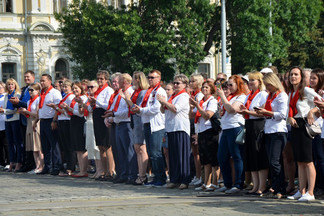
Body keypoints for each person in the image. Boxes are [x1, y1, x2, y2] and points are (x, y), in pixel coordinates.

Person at [286, 66, 320, 201]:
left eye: (295, 74)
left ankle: (310, 192)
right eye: (291, 75)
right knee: (299, 161)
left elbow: (320, 101)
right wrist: (290, 117)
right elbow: (290, 108)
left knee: (308, 160)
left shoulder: (306, 90)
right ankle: (301, 190)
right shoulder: (291, 92)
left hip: (305, 124)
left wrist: (312, 112)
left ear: (301, 77)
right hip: (295, 125)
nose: (293, 77)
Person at [131, 69, 167, 187]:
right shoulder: (149, 91)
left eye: (153, 77)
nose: (150, 79)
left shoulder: (159, 91)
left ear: (159, 79)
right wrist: (139, 110)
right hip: (147, 123)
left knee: (156, 153)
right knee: (151, 152)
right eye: (149, 77)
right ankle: (156, 177)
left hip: (156, 125)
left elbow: (155, 109)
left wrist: (141, 110)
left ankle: (161, 178)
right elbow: (145, 107)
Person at [255, 72, 288, 199]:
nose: (267, 87)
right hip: (269, 130)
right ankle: (275, 187)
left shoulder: (282, 96)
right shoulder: (271, 96)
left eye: (269, 85)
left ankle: (280, 188)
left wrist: (266, 112)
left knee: (275, 161)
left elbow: (282, 115)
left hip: (278, 130)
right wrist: (262, 111)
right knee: (272, 161)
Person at [158, 74, 191, 190]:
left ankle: (184, 179)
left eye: (178, 83)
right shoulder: (173, 96)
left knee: (182, 155)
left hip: (180, 127)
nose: (176, 85)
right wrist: (163, 103)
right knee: (173, 156)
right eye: (175, 83)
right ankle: (175, 178)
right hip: (171, 128)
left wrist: (164, 102)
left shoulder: (183, 96)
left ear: (184, 85)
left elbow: (175, 108)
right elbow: (163, 110)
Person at [238, 71, 269, 196]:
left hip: (258, 125)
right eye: (249, 80)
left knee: (258, 155)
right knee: (251, 156)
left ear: (259, 82)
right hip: (249, 124)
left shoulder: (262, 94)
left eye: (253, 80)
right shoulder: (249, 95)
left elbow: (262, 112)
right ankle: (255, 186)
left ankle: (262, 186)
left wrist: (247, 112)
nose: (250, 83)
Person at [215, 75, 246, 194]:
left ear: (238, 85)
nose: (228, 87)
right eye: (227, 85)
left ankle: (238, 183)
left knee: (237, 155)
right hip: (226, 128)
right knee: (222, 156)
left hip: (235, 127)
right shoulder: (230, 97)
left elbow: (232, 109)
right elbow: (224, 111)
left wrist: (222, 96)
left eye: (231, 85)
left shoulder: (241, 96)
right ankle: (227, 183)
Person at [104, 73, 138, 184]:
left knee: (128, 150)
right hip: (118, 123)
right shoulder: (119, 94)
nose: (117, 83)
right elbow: (115, 107)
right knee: (119, 151)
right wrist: (110, 115)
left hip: (126, 123)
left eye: (119, 81)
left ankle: (131, 174)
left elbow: (129, 110)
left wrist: (114, 114)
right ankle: (122, 173)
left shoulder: (130, 92)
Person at [119, 71, 149, 185]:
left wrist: (127, 99)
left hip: (139, 120)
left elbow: (137, 107)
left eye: (135, 79)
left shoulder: (142, 92)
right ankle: (139, 174)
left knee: (141, 148)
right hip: (134, 119)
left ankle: (142, 175)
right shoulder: (136, 92)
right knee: (137, 148)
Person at [190, 80, 220, 191]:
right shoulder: (201, 101)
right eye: (203, 87)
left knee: (213, 159)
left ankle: (215, 182)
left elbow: (207, 115)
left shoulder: (212, 101)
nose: (204, 89)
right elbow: (191, 115)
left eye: (207, 87)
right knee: (205, 159)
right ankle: (206, 182)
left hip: (210, 131)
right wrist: (191, 105)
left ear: (212, 90)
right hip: (202, 130)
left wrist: (197, 106)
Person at [88, 70, 115, 179]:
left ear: (106, 80)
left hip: (104, 116)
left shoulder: (108, 90)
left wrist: (96, 102)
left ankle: (111, 170)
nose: (99, 81)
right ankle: (103, 171)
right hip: (96, 115)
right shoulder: (97, 91)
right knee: (100, 146)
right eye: (98, 78)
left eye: (102, 79)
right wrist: (91, 104)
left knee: (107, 145)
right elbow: (91, 108)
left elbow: (108, 105)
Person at [34, 74, 62, 175]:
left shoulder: (54, 92)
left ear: (50, 81)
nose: (41, 83)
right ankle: (47, 166)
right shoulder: (42, 93)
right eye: (40, 81)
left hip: (51, 120)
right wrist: (36, 121)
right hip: (43, 120)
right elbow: (40, 108)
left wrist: (54, 121)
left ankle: (56, 166)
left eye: (43, 81)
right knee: (45, 145)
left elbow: (57, 108)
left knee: (53, 144)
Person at [47, 79, 76, 176]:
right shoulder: (64, 97)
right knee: (65, 145)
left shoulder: (71, 97)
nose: (64, 89)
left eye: (66, 87)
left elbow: (69, 113)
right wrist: (56, 108)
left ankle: (71, 167)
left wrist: (57, 108)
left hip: (67, 121)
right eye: (63, 87)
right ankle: (68, 165)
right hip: (62, 120)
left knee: (69, 145)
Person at [9, 70, 36, 172]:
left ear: (33, 77)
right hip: (23, 119)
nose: (26, 79)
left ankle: (32, 164)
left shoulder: (34, 88)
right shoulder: (24, 89)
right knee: (25, 144)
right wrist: (16, 102)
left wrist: (19, 102)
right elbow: (22, 103)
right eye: (25, 77)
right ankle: (26, 163)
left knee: (32, 144)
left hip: (30, 118)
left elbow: (30, 104)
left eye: (28, 77)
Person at [61, 82, 89, 177]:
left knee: (81, 147)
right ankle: (81, 169)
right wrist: (66, 109)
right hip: (73, 120)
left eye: (76, 88)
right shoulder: (73, 98)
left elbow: (81, 113)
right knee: (77, 148)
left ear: (81, 88)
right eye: (73, 88)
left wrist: (70, 109)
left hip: (80, 121)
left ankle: (83, 170)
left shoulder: (83, 98)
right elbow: (71, 113)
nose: (74, 90)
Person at [19, 83, 43, 174]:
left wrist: (27, 111)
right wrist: (23, 113)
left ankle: (41, 166)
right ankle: (37, 166)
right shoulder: (29, 101)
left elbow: (38, 114)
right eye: (29, 90)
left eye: (32, 90)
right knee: (32, 146)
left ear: (37, 91)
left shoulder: (38, 100)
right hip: (29, 122)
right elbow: (28, 114)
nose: (30, 92)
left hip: (36, 122)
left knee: (38, 146)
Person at [80, 80, 102, 179]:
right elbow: (88, 109)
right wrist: (82, 103)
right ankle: (98, 169)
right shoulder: (89, 97)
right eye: (88, 87)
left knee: (97, 147)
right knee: (91, 147)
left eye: (91, 87)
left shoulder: (98, 97)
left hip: (95, 121)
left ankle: (101, 169)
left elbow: (93, 109)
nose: (89, 89)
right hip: (89, 121)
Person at [0, 78, 23, 172]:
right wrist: (4, 110)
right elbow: (5, 107)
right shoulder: (6, 96)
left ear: (15, 85)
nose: (10, 86)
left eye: (12, 84)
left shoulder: (17, 95)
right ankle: (11, 162)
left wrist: (3, 111)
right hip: (7, 120)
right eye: (9, 84)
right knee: (10, 143)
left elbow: (15, 110)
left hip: (15, 119)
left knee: (17, 142)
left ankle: (18, 162)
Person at [188, 74, 204, 186]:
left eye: (193, 81)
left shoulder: (200, 95)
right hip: (193, 123)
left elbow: (196, 112)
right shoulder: (193, 94)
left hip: (198, 124)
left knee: (198, 152)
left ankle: (201, 176)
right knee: (194, 152)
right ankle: (197, 175)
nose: (190, 83)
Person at [310, 68, 324, 197]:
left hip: (319, 129)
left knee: (320, 159)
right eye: (310, 78)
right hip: (312, 130)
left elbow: (320, 112)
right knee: (315, 159)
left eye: (314, 78)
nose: (311, 80)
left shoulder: (322, 92)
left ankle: (320, 186)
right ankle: (317, 186)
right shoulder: (310, 91)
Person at [0, 81, 9, 169]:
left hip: (5, 120)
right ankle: (1, 162)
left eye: (0, 88)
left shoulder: (5, 96)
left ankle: (8, 161)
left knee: (6, 143)